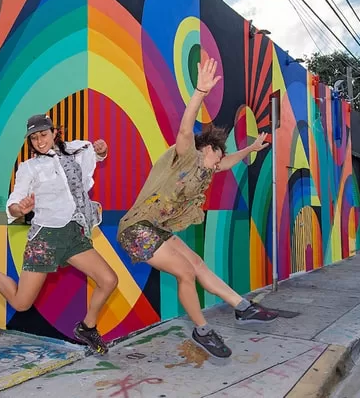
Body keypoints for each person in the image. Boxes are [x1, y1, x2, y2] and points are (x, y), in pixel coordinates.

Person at [116, 58, 278, 359]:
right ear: (206, 149)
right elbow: (186, 129)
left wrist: (251, 149)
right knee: (185, 274)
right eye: (216, 155)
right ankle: (202, 330)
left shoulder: (205, 169)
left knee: (198, 265)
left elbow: (228, 163)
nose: (218, 162)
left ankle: (243, 307)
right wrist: (200, 92)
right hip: (137, 228)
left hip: (156, 229)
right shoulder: (186, 156)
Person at [0, 114, 118, 354]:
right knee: (21, 303)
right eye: (34, 138)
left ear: (54, 132)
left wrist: (102, 150)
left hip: (74, 234)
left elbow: (94, 155)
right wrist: (19, 208)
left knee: (109, 280)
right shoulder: (29, 168)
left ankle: (87, 327)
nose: (39, 141)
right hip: (46, 238)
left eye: (43, 134)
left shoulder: (75, 149)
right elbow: (13, 202)